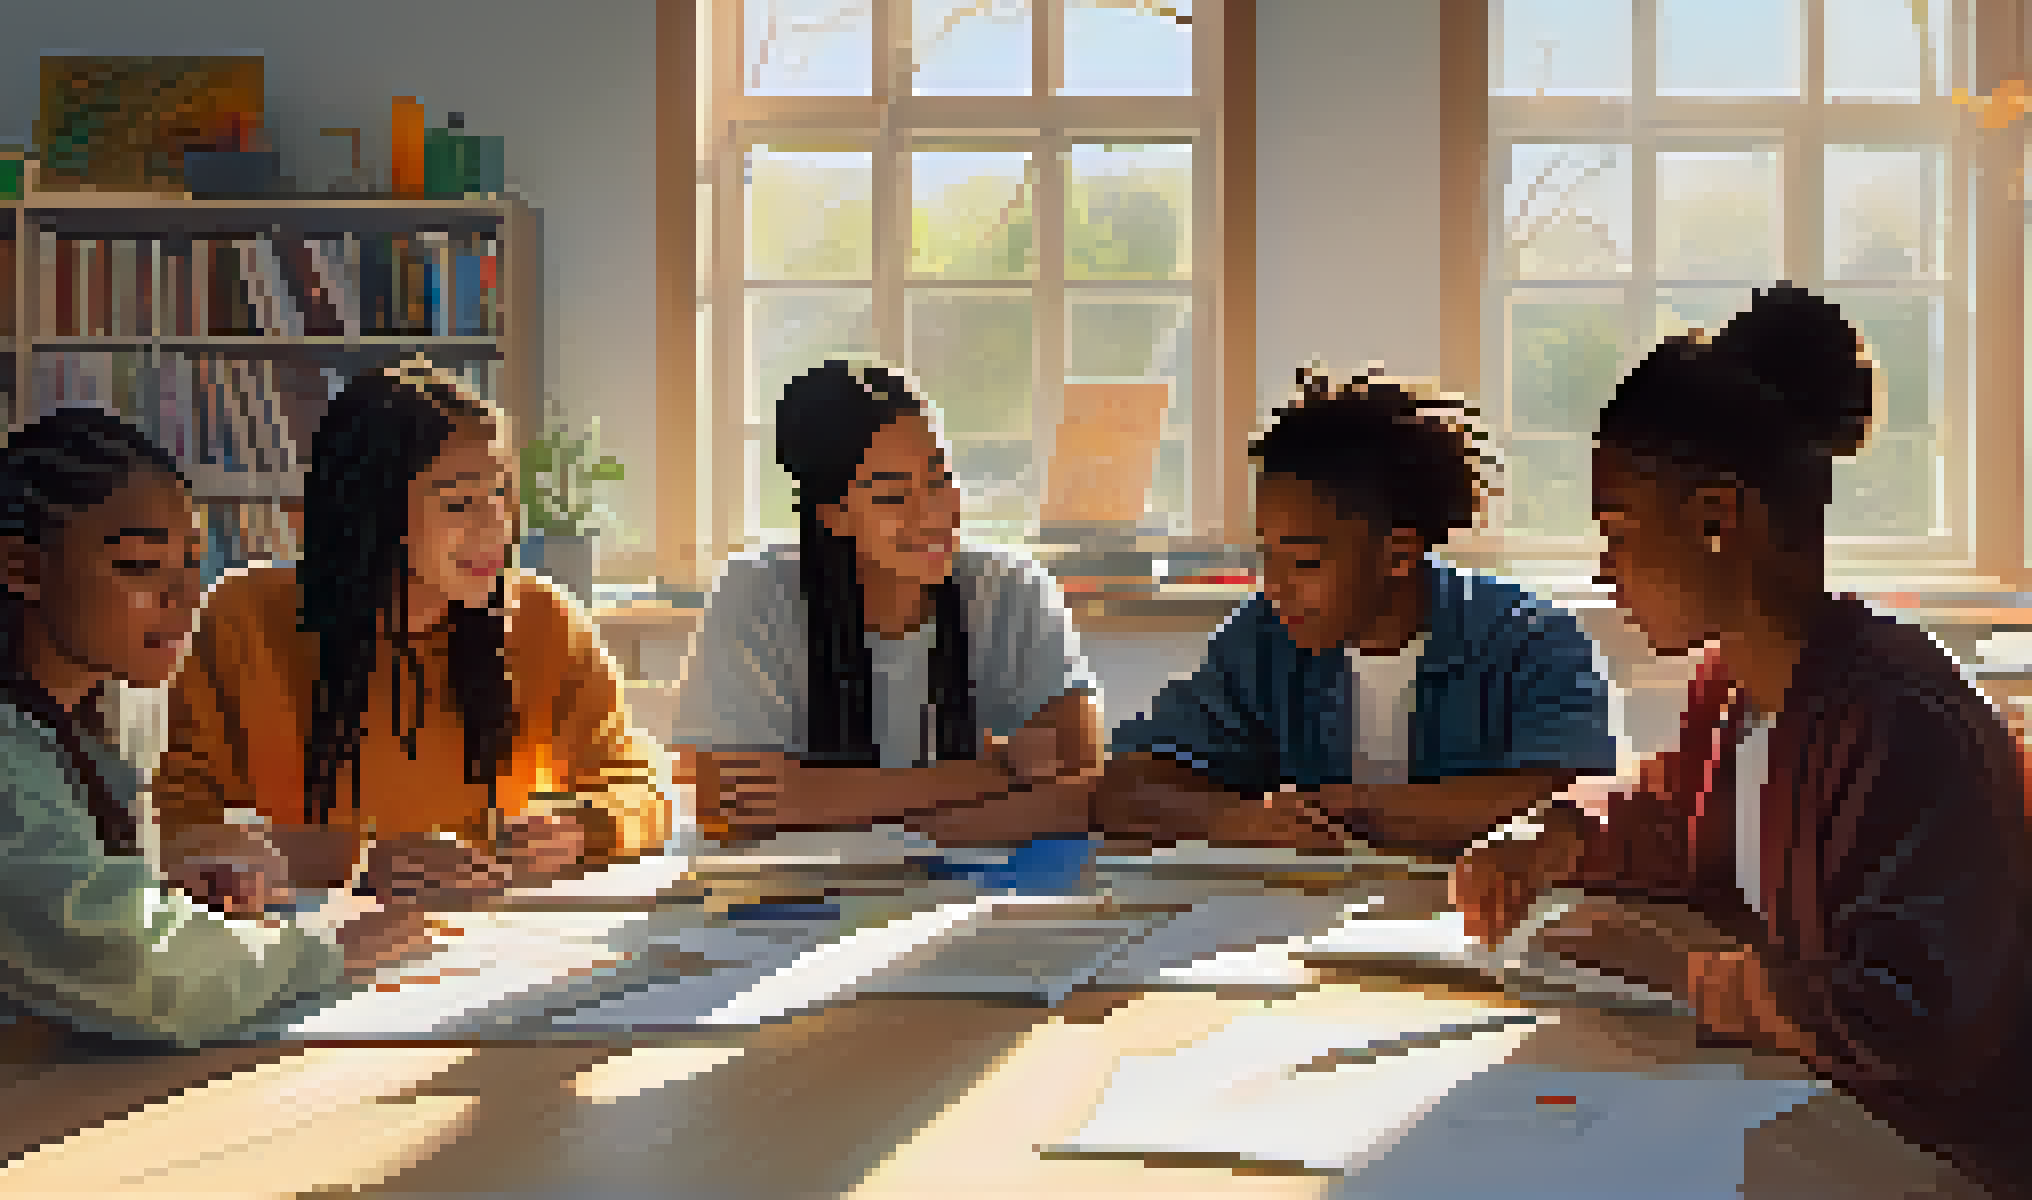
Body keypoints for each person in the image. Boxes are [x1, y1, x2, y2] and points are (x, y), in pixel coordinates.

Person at [1450, 284, 2032, 1196]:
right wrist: (1552, 833)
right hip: (1792, 1102)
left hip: (1926, 1156)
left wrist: (1682, 973)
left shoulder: (1898, 721)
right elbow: (1673, 811)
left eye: (1620, 532)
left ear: (1719, 520)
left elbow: (1917, 1022)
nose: (1605, 569)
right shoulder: (1734, 687)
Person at [0, 408, 439, 1143]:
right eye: (138, 567)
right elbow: (128, 964)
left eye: (193, 566)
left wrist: (169, 903)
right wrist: (320, 955)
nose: (182, 600)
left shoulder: (58, 731)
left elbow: (62, 938)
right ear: (23, 570)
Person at [151, 362, 669, 910]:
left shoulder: (543, 619)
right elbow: (175, 834)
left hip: (491, 944)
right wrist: (358, 861)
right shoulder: (244, 618)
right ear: (371, 513)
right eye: (459, 504)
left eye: (500, 496)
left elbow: (643, 791)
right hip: (310, 952)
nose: (496, 525)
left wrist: (583, 826)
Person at [1095, 367, 1617, 858]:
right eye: (1266, 557)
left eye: (1304, 561)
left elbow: (1578, 805)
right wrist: (1231, 820)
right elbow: (1125, 785)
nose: (1274, 586)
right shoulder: (1261, 637)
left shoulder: (1534, 640)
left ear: (1399, 553)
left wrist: (1352, 811)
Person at [673, 360, 1103, 847]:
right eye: (895, 496)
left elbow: (1080, 787)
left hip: (979, 897)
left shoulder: (1011, 589)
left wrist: (818, 800)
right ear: (832, 514)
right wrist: (995, 773)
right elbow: (726, 806)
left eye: (940, 481)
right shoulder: (756, 593)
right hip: (799, 904)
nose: (934, 514)